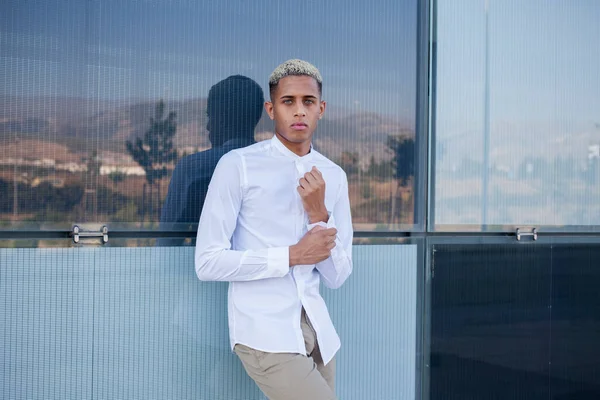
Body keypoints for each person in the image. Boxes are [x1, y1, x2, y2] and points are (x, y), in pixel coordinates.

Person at [195, 59, 353, 400]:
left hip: (319, 334)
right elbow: (207, 262)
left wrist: (318, 214)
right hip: (265, 332)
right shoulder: (238, 166)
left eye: (308, 102)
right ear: (271, 109)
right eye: (288, 102)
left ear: (321, 108)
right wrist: (292, 256)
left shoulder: (334, 176)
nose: (299, 111)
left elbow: (338, 275)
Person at [159, 75, 264, 245]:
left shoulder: (192, 169)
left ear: (223, 117)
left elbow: (167, 240)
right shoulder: (277, 168)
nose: (208, 126)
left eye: (210, 116)